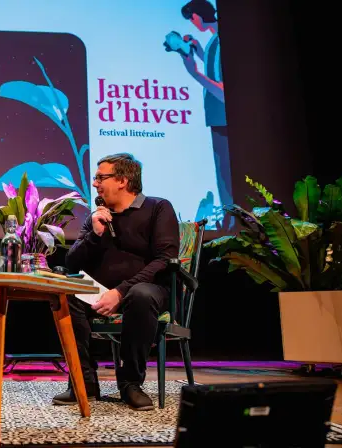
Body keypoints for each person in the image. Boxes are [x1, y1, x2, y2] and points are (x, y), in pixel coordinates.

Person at [52, 153, 179, 411]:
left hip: (149, 290)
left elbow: (165, 259)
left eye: (101, 177)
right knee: (64, 290)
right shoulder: (97, 217)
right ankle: (83, 381)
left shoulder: (157, 208)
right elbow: (72, 263)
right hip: (101, 292)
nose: (96, 183)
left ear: (122, 180)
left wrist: (120, 292)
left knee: (140, 295)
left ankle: (131, 383)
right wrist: (94, 235)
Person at [179, 0, 233, 224]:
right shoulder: (214, 39)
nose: (193, 23)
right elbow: (217, 67)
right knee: (223, 179)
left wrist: (195, 74)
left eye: (192, 18)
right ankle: (230, 220)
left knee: (226, 180)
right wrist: (198, 52)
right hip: (217, 119)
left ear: (198, 16)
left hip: (224, 120)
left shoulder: (221, 39)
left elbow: (223, 91)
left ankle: (232, 222)